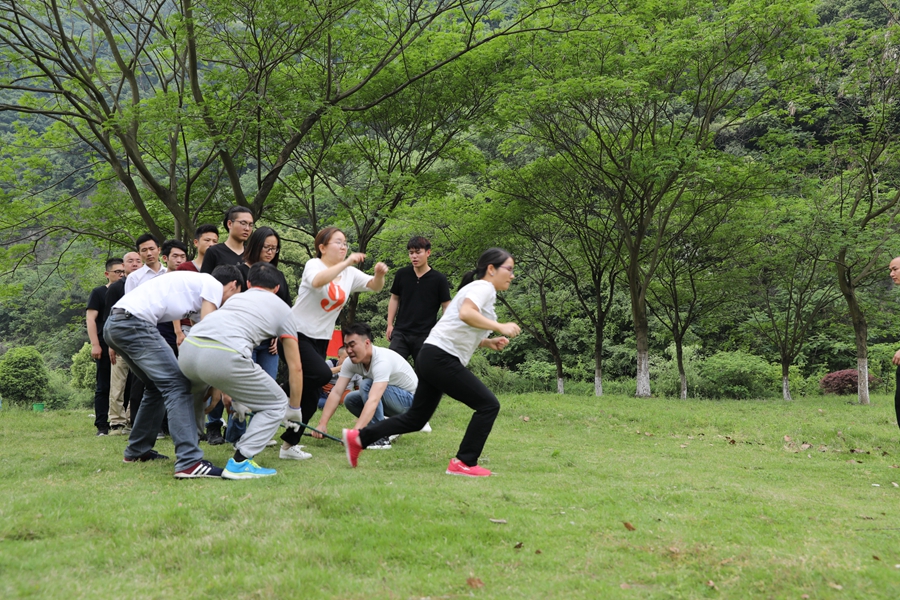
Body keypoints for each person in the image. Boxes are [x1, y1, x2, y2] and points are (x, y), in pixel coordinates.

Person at [343, 248, 521, 477]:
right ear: (491, 269)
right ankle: (464, 462)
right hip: (440, 358)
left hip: (431, 355)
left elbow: (458, 328)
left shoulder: (479, 290)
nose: (512, 275)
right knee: (488, 404)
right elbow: (467, 314)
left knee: (416, 419)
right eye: (509, 269)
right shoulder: (483, 287)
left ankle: (358, 438)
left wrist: (488, 342)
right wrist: (500, 326)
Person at [104, 267, 243, 479]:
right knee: (177, 385)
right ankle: (189, 461)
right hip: (134, 323)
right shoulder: (213, 284)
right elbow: (210, 333)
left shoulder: (198, 293)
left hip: (116, 324)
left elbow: (199, 339)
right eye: (235, 297)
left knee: (156, 387)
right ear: (233, 285)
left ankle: (137, 450)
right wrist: (220, 386)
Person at [179, 262, 304, 479]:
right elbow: (296, 366)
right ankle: (240, 462)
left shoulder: (235, 298)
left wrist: (235, 392)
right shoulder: (284, 309)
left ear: (247, 283)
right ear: (276, 288)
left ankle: (188, 460)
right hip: (224, 354)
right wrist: (293, 407)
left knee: (193, 399)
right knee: (276, 403)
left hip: (190, 349)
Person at [279, 227, 388, 461]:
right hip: (294, 332)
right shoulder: (314, 265)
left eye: (345, 243)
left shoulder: (348, 273)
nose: (343, 246)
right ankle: (273, 398)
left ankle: (288, 446)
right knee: (320, 374)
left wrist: (379, 275)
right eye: (338, 242)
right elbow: (319, 281)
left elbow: (374, 286)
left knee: (309, 396)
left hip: (320, 339)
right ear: (322, 247)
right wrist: (347, 261)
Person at [314, 323, 417, 450]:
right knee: (350, 399)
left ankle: (380, 438)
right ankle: (387, 427)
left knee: (366, 384)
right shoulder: (350, 362)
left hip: (411, 404)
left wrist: (356, 433)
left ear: (367, 343)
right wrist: (322, 424)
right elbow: (336, 392)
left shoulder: (381, 361)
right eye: (346, 346)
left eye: (352, 345)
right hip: (392, 400)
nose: (349, 350)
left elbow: (373, 400)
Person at [202, 207, 253, 444]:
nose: (247, 228)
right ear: (229, 224)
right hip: (218, 320)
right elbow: (205, 285)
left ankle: (237, 429)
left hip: (245, 320)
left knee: (238, 371)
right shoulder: (215, 252)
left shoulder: (252, 253)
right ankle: (213, 426)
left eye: (251, 224)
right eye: (242, 223)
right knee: (217, 372)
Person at [386, 236, 451, 365]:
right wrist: (389, 324)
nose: (414, 256)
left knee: (425, 371)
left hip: (425, 334)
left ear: (428, 253)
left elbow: (446, 306)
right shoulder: (402, 274)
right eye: (411, 253)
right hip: (401, 332)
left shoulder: (439, 279)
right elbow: (394, 298)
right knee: (390, 366)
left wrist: (444, 330)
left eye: (418, 252)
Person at [103, 252, 143, 433]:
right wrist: (111, 344)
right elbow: (108, 317)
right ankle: (117, 422)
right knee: (118, 383)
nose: (134, 264)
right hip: (120, 341)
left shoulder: (146, 284)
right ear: (124, 265)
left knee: (138, 384)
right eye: (130, 261)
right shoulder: (116, 288)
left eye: (138, 261)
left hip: (141, 341)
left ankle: (131, 419)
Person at [86, 258, 126, 436]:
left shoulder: (129, 290)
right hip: (104, 343)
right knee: (103, 385)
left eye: (123, 272)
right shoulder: (99, 292)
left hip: (124, 343)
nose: (121, 275)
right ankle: (102, 425)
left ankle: (123, 422)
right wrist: (95, 344)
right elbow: (91, 319)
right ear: (107, 273)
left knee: (126, 385)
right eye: (117, 271)